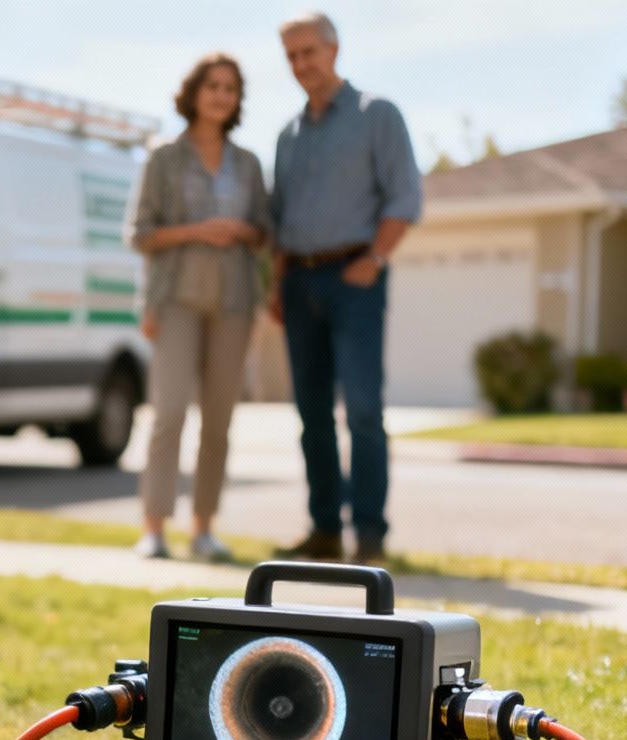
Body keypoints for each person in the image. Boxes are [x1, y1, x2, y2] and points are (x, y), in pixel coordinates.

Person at [268, 11, 422, 564]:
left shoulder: (376, 114)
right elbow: (280, 218)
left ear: (334, 49)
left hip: (355, 278)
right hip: (298, 280)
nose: (300, 64)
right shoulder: (288, 134)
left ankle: (370, 535)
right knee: (311, 414)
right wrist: (278, 285)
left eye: (308, 51)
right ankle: (325, 531)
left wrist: (375, 258)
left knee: (362, 410)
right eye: (291, 56)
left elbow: (405, 197)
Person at [125, 53, 271, 563]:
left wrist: (243, 231)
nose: (220, 95)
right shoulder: (163, 157)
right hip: (176, 301)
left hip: (234, 303)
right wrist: (196, 231)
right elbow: (140, 234)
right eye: (212, 86)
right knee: (168, 414)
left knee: (219, 420)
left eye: (230, 88)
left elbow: (264, 233)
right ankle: (154, 529)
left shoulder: (248, 163)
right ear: (194, 92)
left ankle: (204, 530)